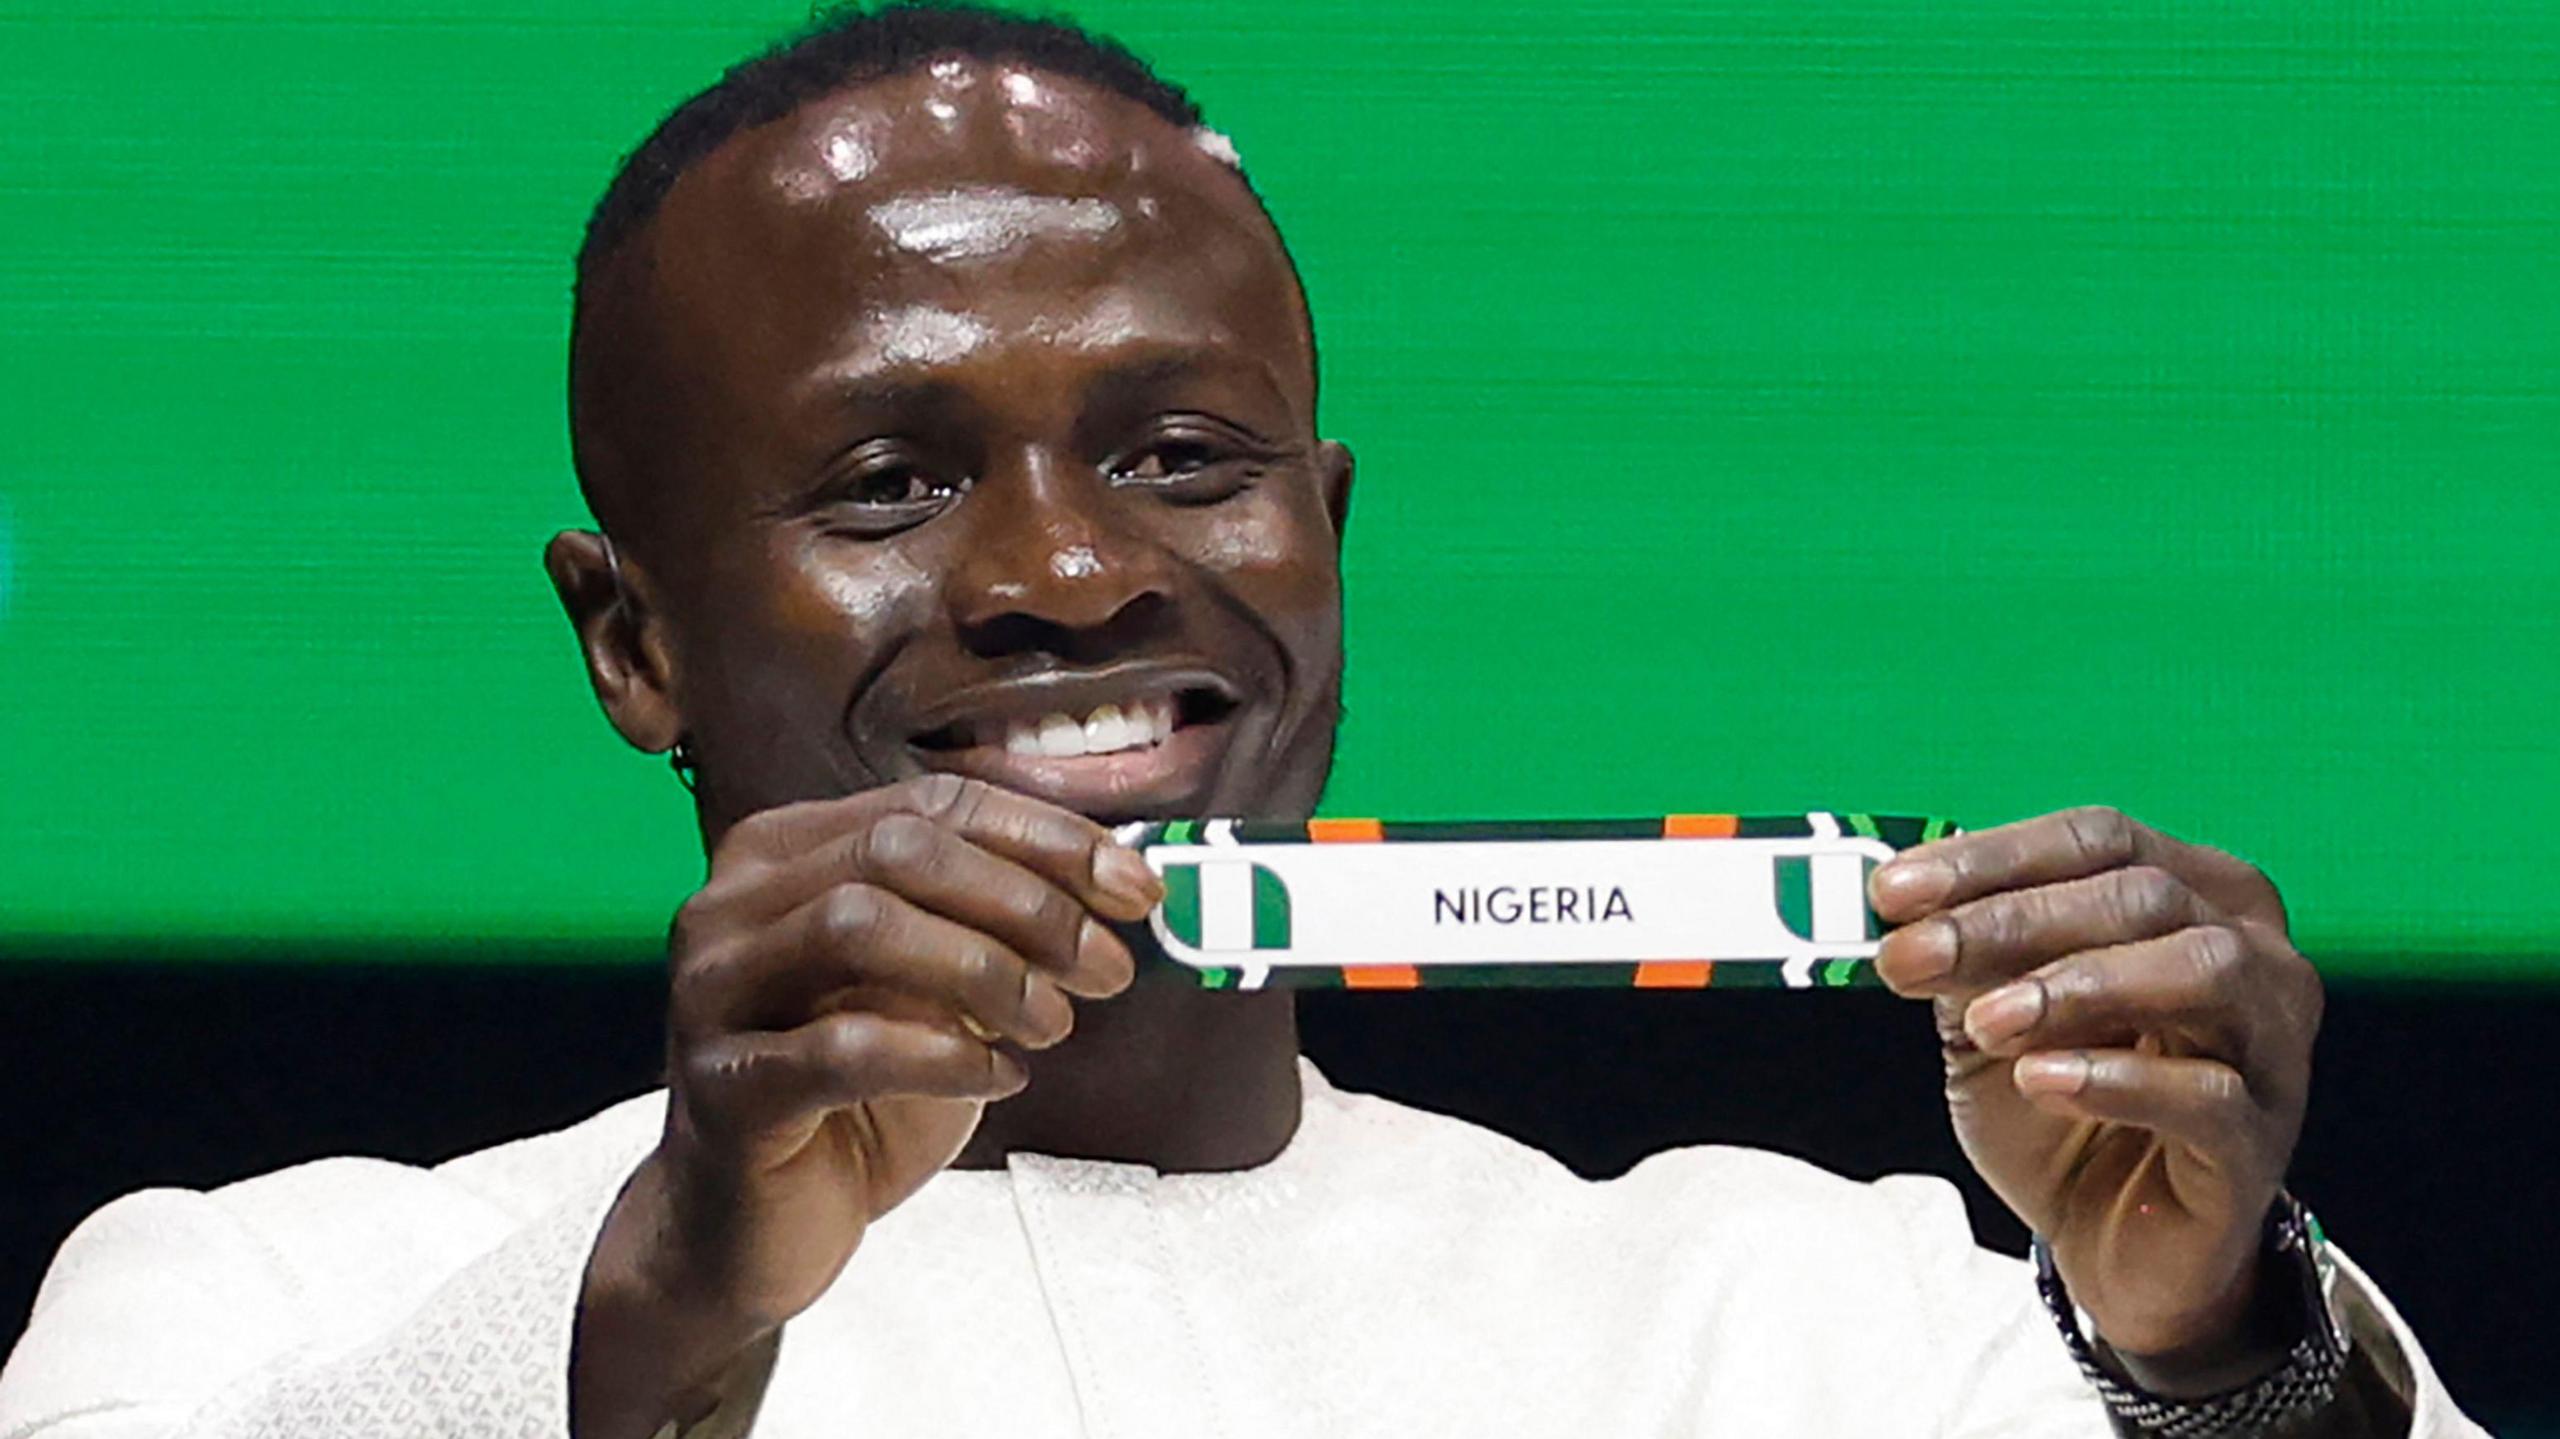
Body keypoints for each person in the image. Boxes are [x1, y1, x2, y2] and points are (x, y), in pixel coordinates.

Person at [0, 5, 2482, 1437]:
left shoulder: (1821, 1325)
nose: (1073, 575)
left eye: (1183, 457)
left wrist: (2210, 1339)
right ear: (627, 640)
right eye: (888, 480)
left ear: (1326, 526)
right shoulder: (244, 1308)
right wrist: (664, 1294)